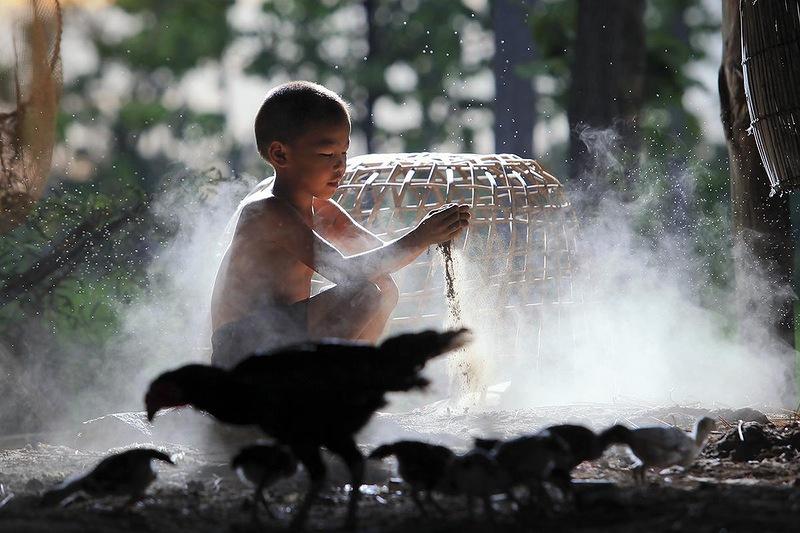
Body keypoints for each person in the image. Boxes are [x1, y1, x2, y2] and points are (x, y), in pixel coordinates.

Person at [210, 81, 470, 367]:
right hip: (240, 351)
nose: (340, 166)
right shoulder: (266, 212)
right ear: (280, 154)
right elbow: (344, 272)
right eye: (327, 154)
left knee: (384, 286)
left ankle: (355, 379)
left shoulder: (321, 210)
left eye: (344, 153)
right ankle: (329, 383)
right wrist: (420, 237)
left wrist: (435, 236)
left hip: (281, 339)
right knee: (362, 292)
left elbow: (376, 253)